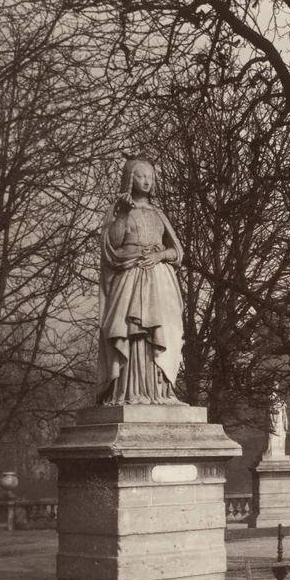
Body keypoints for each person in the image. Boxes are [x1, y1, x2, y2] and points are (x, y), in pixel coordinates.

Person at [97, 157, 185, 405]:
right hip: (130, 278)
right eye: (141, 176)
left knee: (164, 333)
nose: (147, 181)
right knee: (131, 332)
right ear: (130, 179)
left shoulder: (158, 213)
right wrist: (123, 216)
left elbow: (177, 251)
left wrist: (159, 255)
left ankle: (161, 391)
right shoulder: (118, 210)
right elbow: (112, 247)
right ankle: (129, 391)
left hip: (159, 281)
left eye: (151, 177)